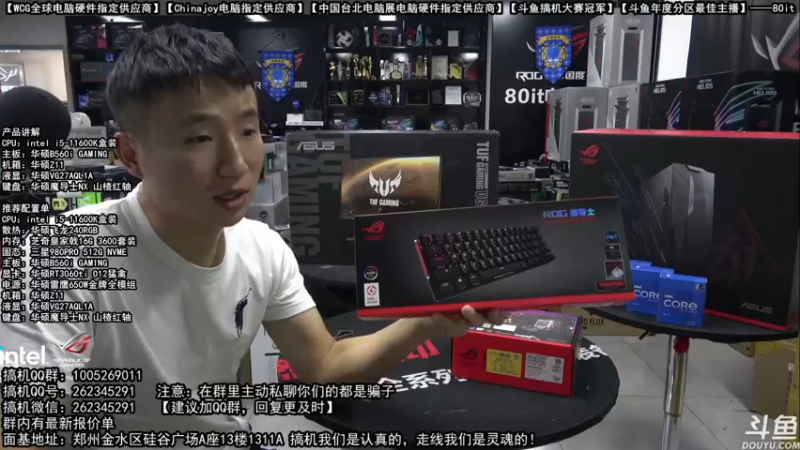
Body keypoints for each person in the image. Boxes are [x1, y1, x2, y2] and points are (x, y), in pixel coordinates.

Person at [0, 24, 502, 449]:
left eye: (247, 130)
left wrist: (424, 324)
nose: (236, 164)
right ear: (131, 155)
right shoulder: (63, 255)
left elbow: (325, 364)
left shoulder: (261, 247)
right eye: (199, 138)